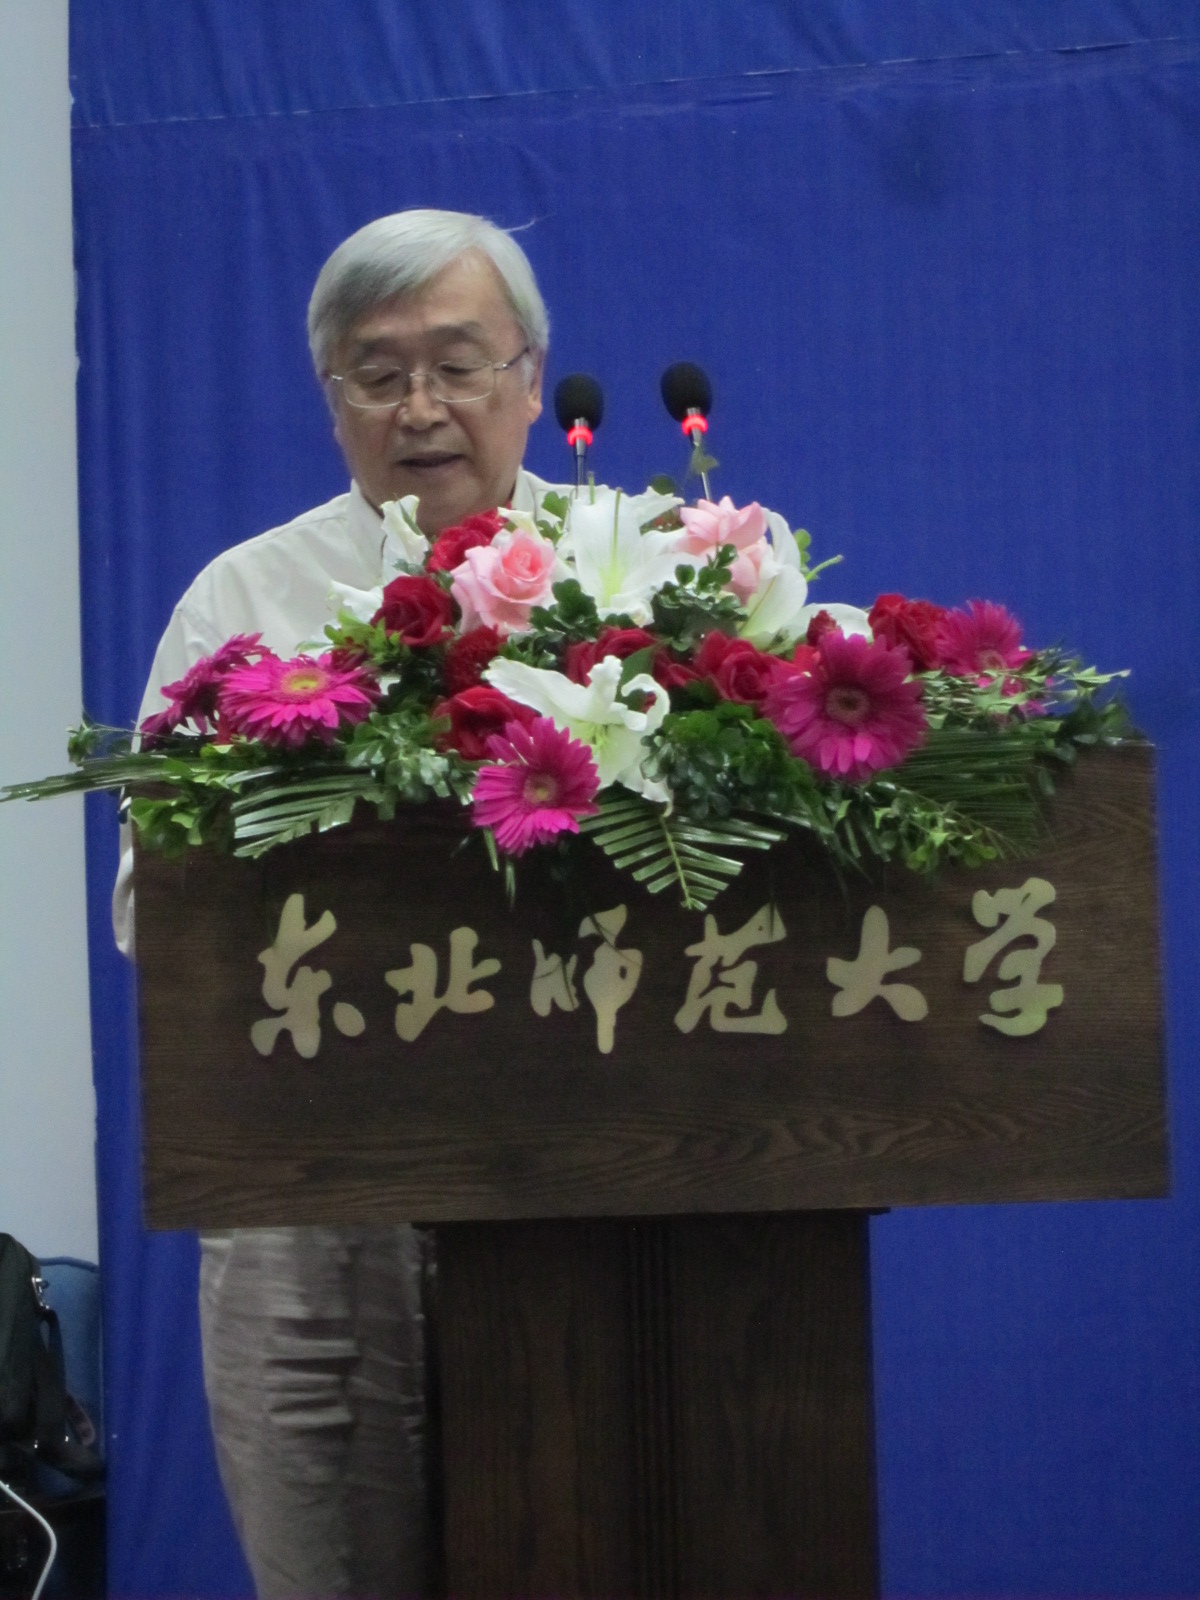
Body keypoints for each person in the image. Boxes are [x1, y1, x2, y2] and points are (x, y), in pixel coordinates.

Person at [112, 209, 574, 1598]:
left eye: (459, 365)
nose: (421, 408)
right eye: (379, 375)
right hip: (311, 1202)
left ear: (530, 380)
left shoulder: (650, 573)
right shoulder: (244, 601)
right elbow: (151, 908)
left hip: (587, 1176)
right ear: (333, 402)